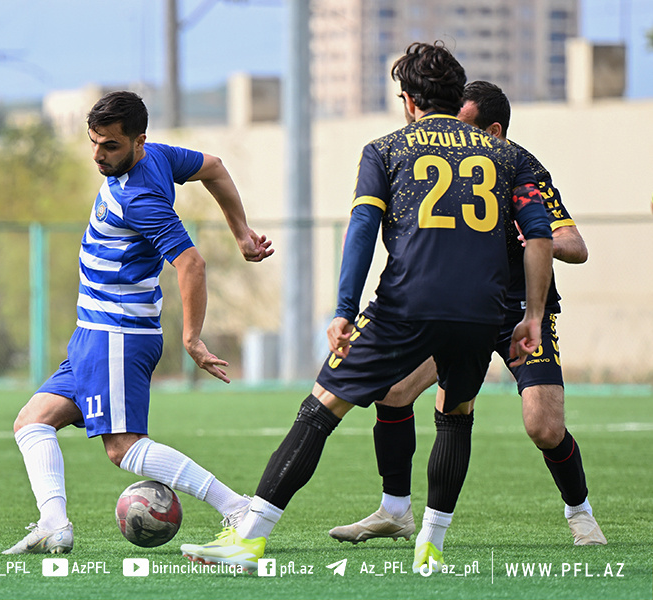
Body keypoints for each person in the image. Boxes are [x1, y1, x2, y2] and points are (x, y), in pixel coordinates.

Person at [180, 41, 553, 574]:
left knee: (320, 408)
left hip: (406, 305)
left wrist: (343, 310)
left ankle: (248, 541)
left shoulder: (386, 149)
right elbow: (538, 236)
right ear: (456, 94)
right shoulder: (507, 155)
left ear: (407, 101)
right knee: (456, 415)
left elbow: (362, 230)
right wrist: (532, 314)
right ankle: (430, 546)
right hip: (483, 312)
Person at [328, 81, 604, 550]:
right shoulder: (441, 161)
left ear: (493, 131)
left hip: (519, 313)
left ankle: (580, 513)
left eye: (466, 126)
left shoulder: (521, 167)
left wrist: (535, 241)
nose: (453, 136)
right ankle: (395, 509)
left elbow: (575, 245)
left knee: (544, 427)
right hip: (462, 306)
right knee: (393, 391)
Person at [2, 91, 273, 555]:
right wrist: (242, 232)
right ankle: (53, 524)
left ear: (138, 141)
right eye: (93, 142)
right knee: (32, 422)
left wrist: (192, 338)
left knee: (123, 447)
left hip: (118, 334)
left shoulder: (140, 197)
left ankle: (238, 507)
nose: (97, 154)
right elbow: (214, 167)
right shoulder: (162, 157)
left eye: (109, 145)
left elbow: (191, 264)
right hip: (95, 333)